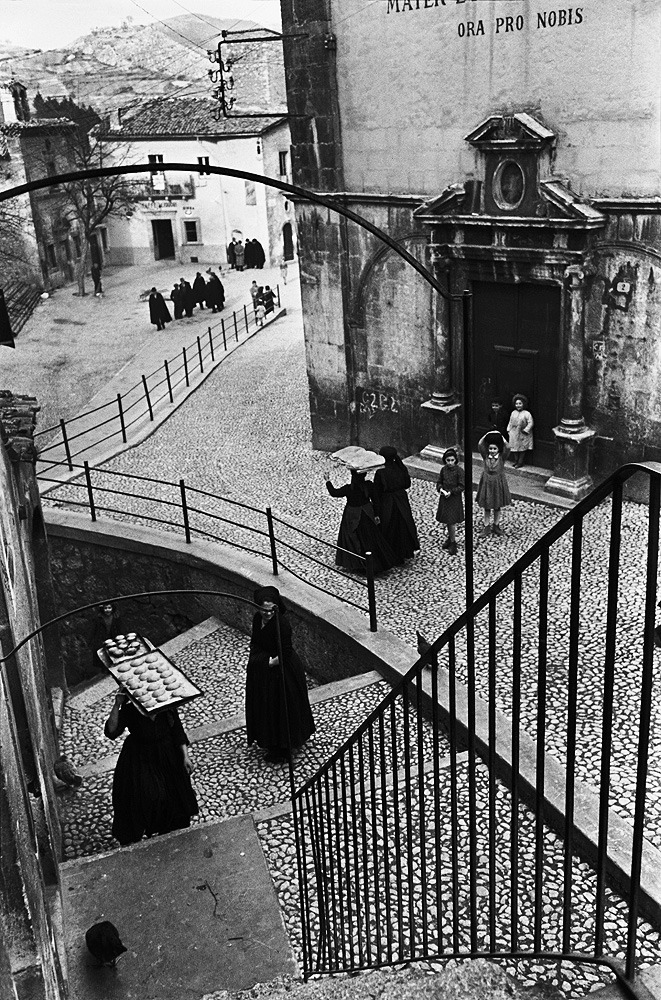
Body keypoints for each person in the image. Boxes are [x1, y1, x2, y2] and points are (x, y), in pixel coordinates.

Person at [104, 689, 198, 845]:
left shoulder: (166, 707)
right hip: (140, 756)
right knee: (144, 795)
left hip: (167, 754)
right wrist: (117, 705)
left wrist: (185, 757)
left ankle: (169, 830)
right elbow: (112, 731)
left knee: (173, 795)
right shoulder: (130, 710)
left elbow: (178, 732)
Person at [245, 586, 315, 762]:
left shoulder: (281, 625)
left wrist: (266, 663)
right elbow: (255, 641)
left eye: (271, 610)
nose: (267, 614)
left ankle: (283, 747)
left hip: (282, 670)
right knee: (266, 705)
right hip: (266, 666)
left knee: (280, 707)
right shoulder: (257, 619)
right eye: (263, 610)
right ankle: (270, 740)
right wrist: (259, 661)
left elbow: (285, 652)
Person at [326, 467, 400, 574]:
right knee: (372, 538)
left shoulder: (349, 488)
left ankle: (357, 564)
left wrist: (328, 481)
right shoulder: (368, 486)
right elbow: (376, 500)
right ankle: (376, 563)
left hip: (352, 516)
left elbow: (334, 493)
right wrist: (377, 514)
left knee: (353, 538)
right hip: (367, 514)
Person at [372, 445, 420, 562]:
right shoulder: (400, 468)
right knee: (402, 526)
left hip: (387, 502)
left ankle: (390, 555)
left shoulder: (381, 472)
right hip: (401, 500)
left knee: (389, 527)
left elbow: (377, 493)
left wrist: (376, 511)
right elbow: (407, 484)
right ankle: (403, 553)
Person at [476, 431, 511, 537]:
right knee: (487, 506)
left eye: (494, 449)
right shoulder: (485, 456)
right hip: (487, 482)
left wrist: (501, 436)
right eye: (490, 449)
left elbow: (508, 447)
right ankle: (486, 526)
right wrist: (487, 434)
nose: (492, 451)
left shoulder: (501, 458)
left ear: (498, 449)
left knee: (497, 505)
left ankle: (496, 525)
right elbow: (480, 444)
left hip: (498, 483)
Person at [435, 447, 464, 556]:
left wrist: (451, 492)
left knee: (451, 521)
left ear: (456, 460)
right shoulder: (443, 470)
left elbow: (462, 486)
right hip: (445, 498)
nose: (450, 463)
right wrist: (441, 489)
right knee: (447, 520)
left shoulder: (459, 471)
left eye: (452, 460)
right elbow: (439, 482)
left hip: (454, 499)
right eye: (448, 460)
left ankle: (453, 542)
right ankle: (450, 538)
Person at [89, 602, 125, 672]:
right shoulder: (99, 618)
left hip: (114, 637)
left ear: (112, 608)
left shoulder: (116, 617)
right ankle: (105, 669)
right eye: (105, 608)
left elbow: (120, 628)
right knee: (103, 655)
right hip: (102, 638)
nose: (107, 610)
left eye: (109, 608)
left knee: (115, 652)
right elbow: (94, 629)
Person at [507, 393, 534, 468]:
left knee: (522, 448)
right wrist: (508, 430)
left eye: (520, 403)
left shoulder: (527, 413)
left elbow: (531, 423)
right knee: (514, 447)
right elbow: (510, 422)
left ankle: (520, 461)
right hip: (514, 433)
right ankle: (516, 460)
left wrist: (526, 430)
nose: (518, 405)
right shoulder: (513, 413)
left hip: (523, 433)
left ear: (523, 404)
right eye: (516, 404)